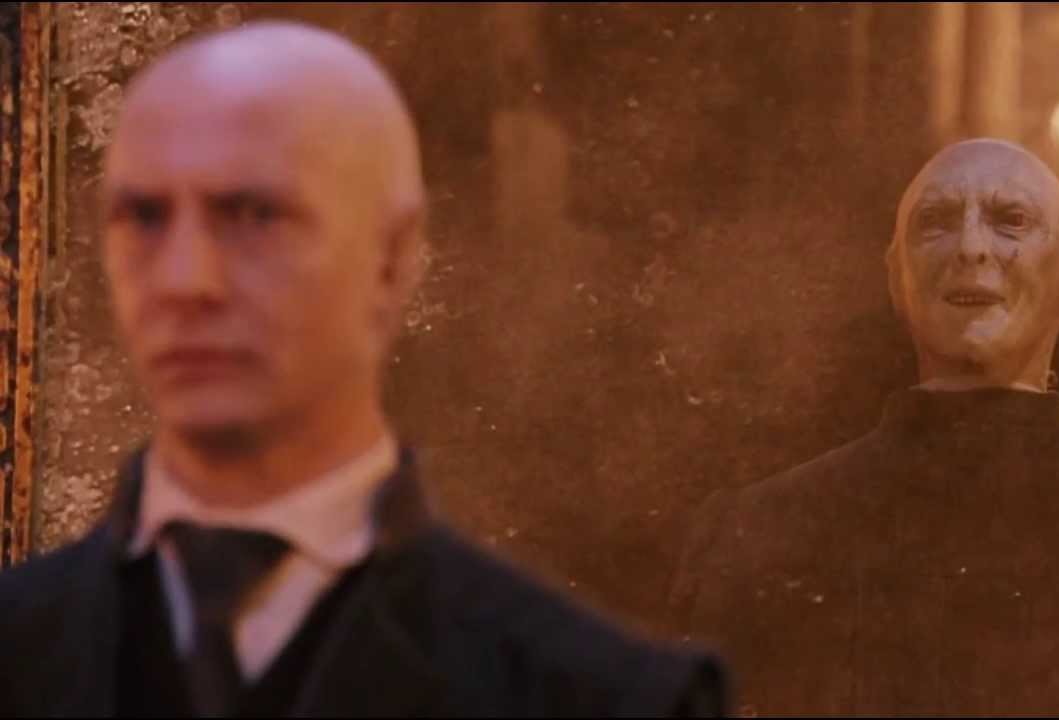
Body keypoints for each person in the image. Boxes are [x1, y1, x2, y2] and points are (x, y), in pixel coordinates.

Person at [0, 21, 724, 718]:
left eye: (255, 215)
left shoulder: (602, 696)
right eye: (144, 218)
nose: (187, 279)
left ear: (393, 257)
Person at [669, 138, 1059, 716]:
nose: (971, 248)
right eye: (936, 222)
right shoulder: (749, 538)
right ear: (896, 279)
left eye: (1012, 220)